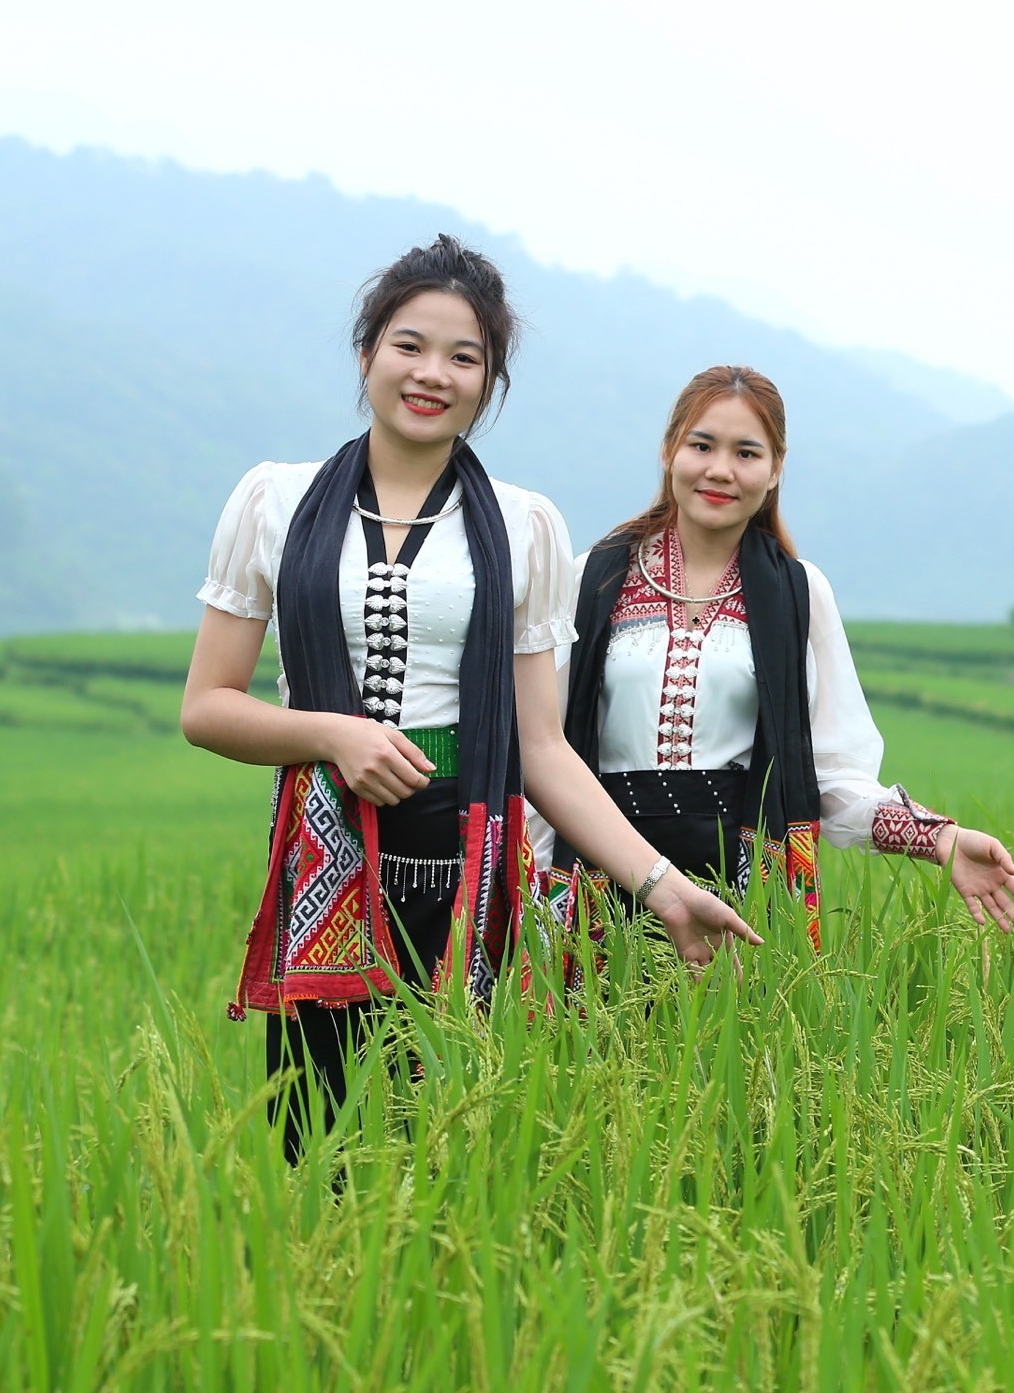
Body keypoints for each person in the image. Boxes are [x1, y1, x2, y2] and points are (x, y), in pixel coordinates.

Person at [180, 238, 760, 1165]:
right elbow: (206, 706)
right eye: (410, 345)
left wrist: (662, 887)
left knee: (451, 1151)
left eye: (464, 357)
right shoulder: (273, 502)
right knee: (315, 1147)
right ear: (367, 351)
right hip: (325, 873)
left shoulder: (524, 527)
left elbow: (541, 746)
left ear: (489, 382)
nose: (432, 374)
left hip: (470, 868)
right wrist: (333, 735)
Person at [554, 364, 1014, 951]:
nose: (720, 470)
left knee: (735, 1041)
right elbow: (545, 752)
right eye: (702, 445)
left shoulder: (800, 594)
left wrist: (938, 839)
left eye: (747, 453)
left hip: (745, 888)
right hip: (604, 875)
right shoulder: (592, 579)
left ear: (776, 468)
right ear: (669, 450)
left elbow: (828, 772)